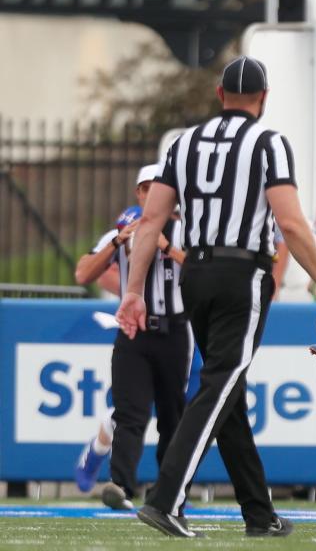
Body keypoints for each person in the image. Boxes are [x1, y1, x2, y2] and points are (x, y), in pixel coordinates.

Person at [116, 55, 316, 538]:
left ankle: (259, 514)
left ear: (220, 94)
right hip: (242, 274)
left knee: (227, 390)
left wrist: (132, 291)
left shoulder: (183, 142)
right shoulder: (269, 143)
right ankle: (167, 499)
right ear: (263, 98)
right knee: (221, 382)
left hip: (193, 273)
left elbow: (150, 221)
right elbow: (292, 222)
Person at [74, 165, 190, 512]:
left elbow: (202, 269)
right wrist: (116, 242)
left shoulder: (185, 230)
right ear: (138, 194)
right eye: (144, 188)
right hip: (132, 331)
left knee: (172, 415)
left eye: (157, 187)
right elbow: (83, 272)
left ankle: (169, 493)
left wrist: (168, 247)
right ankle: (121, 485)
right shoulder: (123, 229)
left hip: (174, 330)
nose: (150, 194)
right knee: (130, 412)